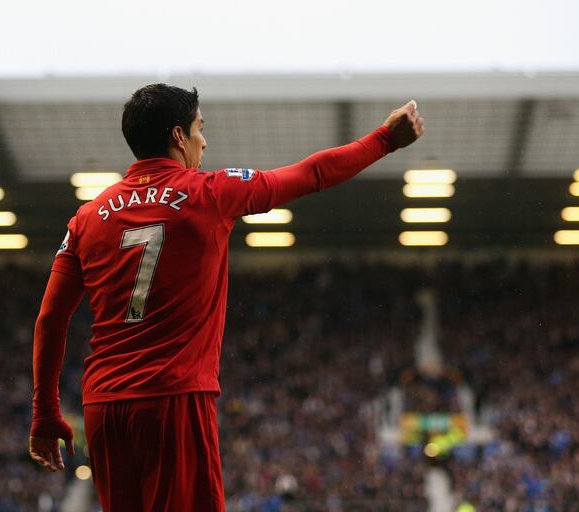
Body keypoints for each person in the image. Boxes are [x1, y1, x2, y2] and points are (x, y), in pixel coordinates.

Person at [29, 83, 424, 511]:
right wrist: (384, 139)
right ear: (178, 136)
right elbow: (310, 174)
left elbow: (51, 318)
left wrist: (46, 411)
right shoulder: (211, 192)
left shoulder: (87, 218)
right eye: (200, 128)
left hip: (103, 407)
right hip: (173, 398)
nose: (205, 140)